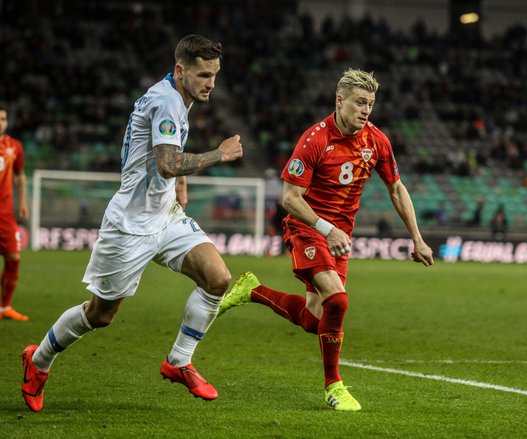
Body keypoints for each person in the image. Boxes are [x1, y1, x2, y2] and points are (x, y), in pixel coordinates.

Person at [21, 34, 243, 412]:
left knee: (218, 279)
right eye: (204, 74)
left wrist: (180, 186)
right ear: (180, 70)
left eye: (215, 75)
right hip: (130, 224)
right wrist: (219, 155)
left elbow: (169, 155)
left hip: (165, 217)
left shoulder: (177, 95)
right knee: (100, 314)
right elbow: (166, 163)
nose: (211, 83)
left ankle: (178, 361)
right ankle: (37, 361)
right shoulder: (167, 102)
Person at [220, 68, 434, 411]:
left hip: (339, 237)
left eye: (370, 104)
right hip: (307, 227)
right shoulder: (315, 139)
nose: (366, 110)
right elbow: (290, 198)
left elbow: (396, 187)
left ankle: (253, 290)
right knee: (338, 301)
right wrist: (325, 228)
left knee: (312, 320)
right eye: (359, 102)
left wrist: (417, 238)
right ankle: (334, 386)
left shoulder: (376, 140)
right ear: (340, 100)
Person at [0, 105, 30, 321]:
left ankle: (4, 307)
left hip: (4, 214)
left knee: (13, 257)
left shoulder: (14, 146)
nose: (0, 122)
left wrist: (23, 202)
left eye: (2, 118)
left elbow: (20, 176)